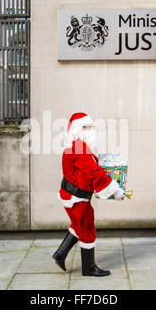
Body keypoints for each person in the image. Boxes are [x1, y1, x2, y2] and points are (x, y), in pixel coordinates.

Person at [52, 112, 125, 277]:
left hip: (73, 196)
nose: (89, 130)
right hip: (76, 198)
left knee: (79, 225)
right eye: (84, 127)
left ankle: (60, 254)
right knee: (86, 228)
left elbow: (90, 169)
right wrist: (115, 191)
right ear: (76, 129)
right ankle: (89, 268)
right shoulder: (78, 147)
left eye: (90, 127)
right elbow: (94, 172)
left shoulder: (78, 145)